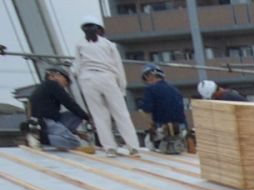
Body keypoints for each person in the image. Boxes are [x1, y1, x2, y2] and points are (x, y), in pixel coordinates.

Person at [75, 16, 141, 157]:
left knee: (99, 115)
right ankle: (133, 147)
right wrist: (122, 88)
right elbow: (119, 67)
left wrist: (79, 77)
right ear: (100, 30)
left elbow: (76, 67)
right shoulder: (109, 44)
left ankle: (110, 148)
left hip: (87, 79)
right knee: (121, 113)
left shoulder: (80, 44)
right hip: (107, 77)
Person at [25, 65, 95, 153]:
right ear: (57, 75)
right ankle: (40, 138)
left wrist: (76, 132)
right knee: (73, 143)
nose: (65, 87)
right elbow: (69, 103)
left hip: (47, 120)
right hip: (46, 121)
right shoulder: (52, 84)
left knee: (76, 115)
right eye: (65, 82)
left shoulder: (43, 88)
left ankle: (56, 135)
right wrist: (88, 118)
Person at [139, 64, 188, 154]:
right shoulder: (175, 90)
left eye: (146, 78)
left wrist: (151, 125)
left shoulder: (150, 89)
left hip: (163, 128)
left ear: (150, 76)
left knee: (148, 143)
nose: (147, 81)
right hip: (181, 128)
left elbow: (146, 109)